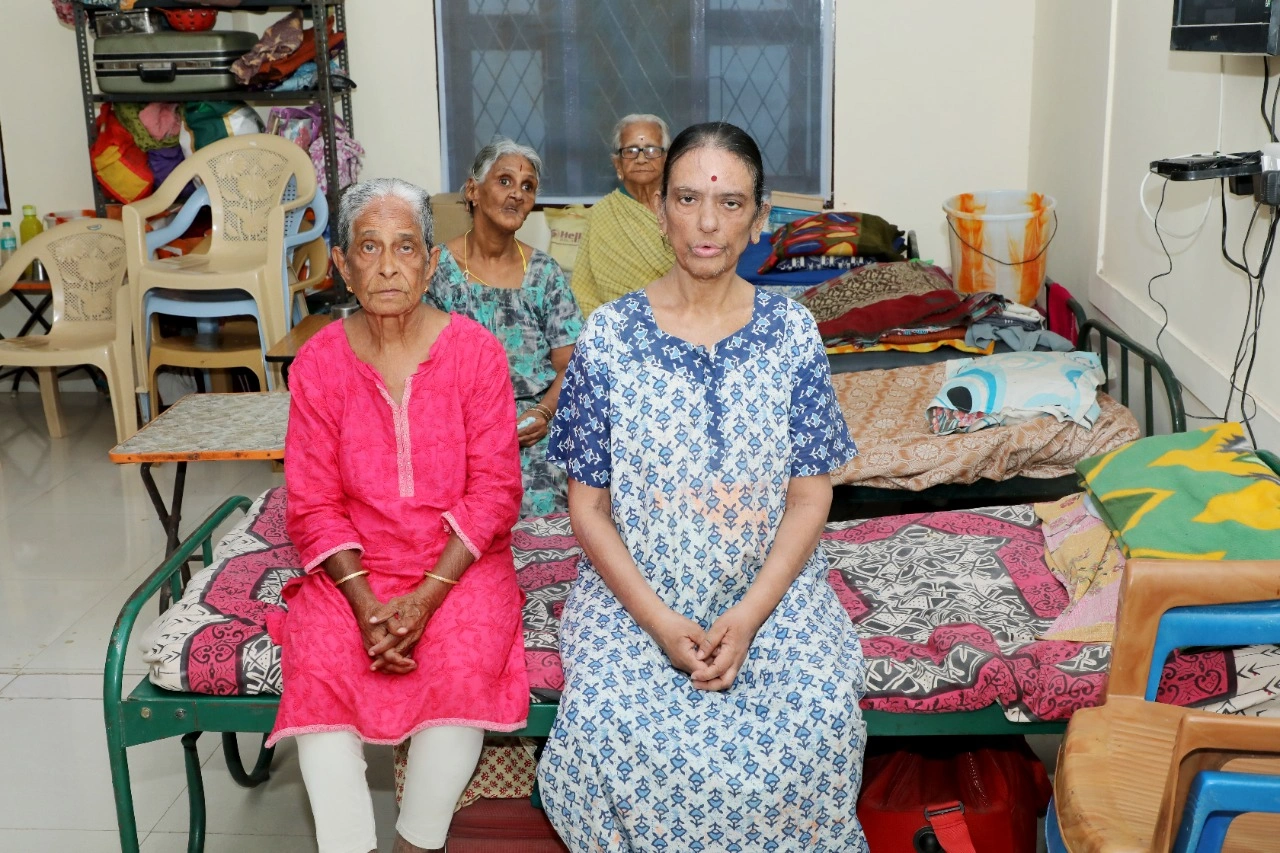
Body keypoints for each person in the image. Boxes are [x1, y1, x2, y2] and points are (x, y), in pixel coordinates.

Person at [537, 122, 869, 850]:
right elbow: (586, 505)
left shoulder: (792, 332)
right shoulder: (608, 338)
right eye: (687, 198)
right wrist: (658, 621)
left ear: (760, 217)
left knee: (821, 712)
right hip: (636, 595)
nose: (707, 222)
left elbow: (811, 494)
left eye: (730, 201)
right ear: (660, 211)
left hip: (769, 593)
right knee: (606, 721)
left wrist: (748, 617)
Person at [269, 178, 529, 853]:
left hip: (460, 564)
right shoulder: (320, 364)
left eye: (405, 247)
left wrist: (426, 598)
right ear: (343, 264)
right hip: (354, 569)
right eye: (370, 248)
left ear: (431, 261)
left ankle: (418, 842)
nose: (388, 266)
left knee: (463, 664)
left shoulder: (476, 354)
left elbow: (497, 490)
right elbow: (313, 503)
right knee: (319, 670)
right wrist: (364, 606)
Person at [430, 138, 584, 518]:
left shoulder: (545, 274)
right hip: (457, 430)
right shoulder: (437, 270)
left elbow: (572, 365)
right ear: (473, 191)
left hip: (533, 431)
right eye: (504, 181)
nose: (517, 194)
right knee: (454, 521)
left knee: (548, 523)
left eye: (527, 186)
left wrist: (546, 414)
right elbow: (417, 366)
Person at [570, 113, 676, 317]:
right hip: (617, 326)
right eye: (631, 151)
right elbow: (584, 290)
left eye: (652, 150)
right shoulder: (601, 215)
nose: (642, 159)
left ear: (667, 159)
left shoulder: (684, 208)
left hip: (680, 320)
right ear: (617, 164)